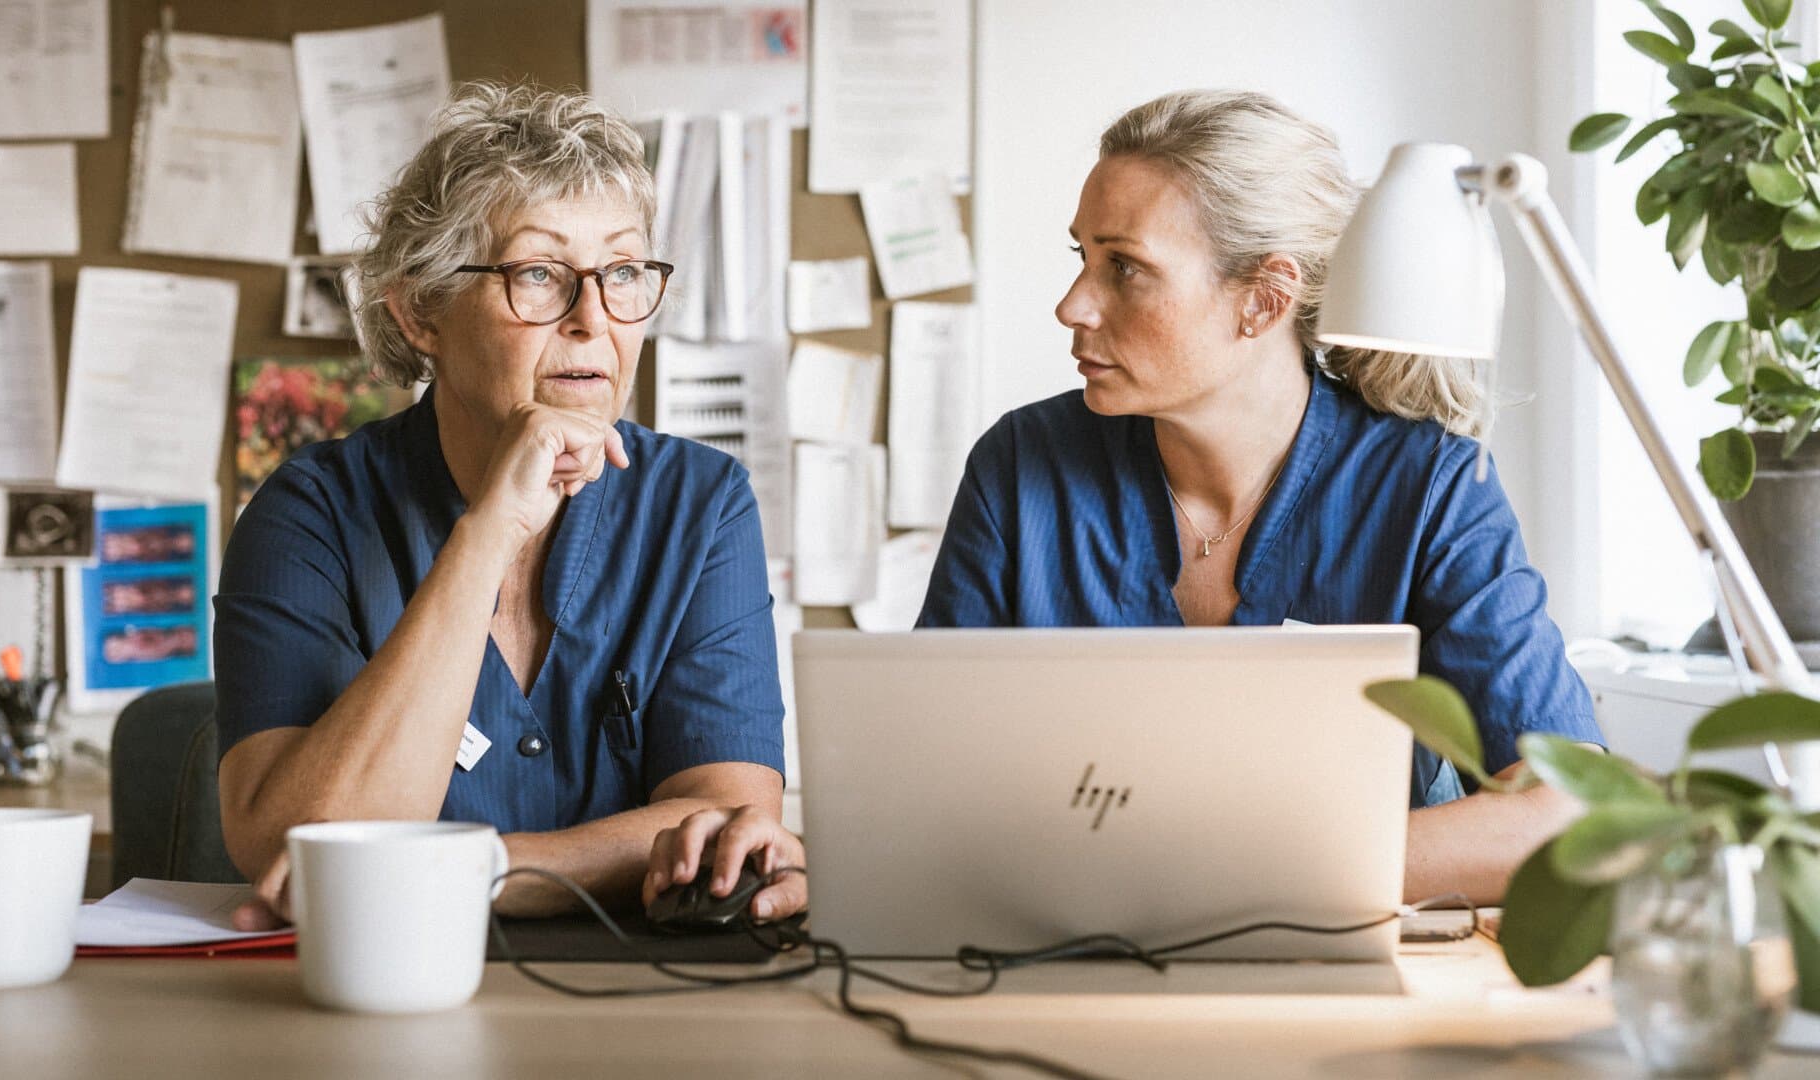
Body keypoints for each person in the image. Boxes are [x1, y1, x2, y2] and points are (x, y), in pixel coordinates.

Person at [648, 88, 1603, 914]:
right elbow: (922, 788)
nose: (1073, 304)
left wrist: (1224, 873)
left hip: (1336, 971)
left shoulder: (1431, 489)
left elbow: (1567, 810)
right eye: (1082, 257)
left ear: (1263, 299)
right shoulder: (1023, 466)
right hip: (1057, 950)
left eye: (1124, 266)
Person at [214, 83, 802, 928]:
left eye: (623, 272)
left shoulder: (700, 503)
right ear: (421, 312)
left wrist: (474, 869)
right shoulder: (309, 512)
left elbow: (727, 830)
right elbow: (296, 850)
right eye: (538, 274)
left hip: (637, 986)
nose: (593, 319)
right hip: (378, 979)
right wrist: (488, 532)